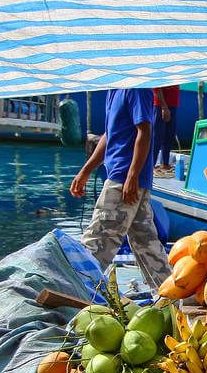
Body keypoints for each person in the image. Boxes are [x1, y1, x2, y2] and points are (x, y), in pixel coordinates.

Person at [70, 88, 172, 290]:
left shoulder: (136, 88)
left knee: (98, 242)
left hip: (124, 180)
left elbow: (145, 130)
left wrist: (132, 176)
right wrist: (85, 171)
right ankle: (171, 296)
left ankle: (78, 294)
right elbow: (110, 135)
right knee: (147, 243)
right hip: (122, 177)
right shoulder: (114, 90)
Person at [152, 84, 180, 172]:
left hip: (173, 105)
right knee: (157, 136)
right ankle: (151, 165)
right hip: (161, 106)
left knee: (169, 135)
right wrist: (164, 107)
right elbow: (156, 87)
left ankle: (165, 163)